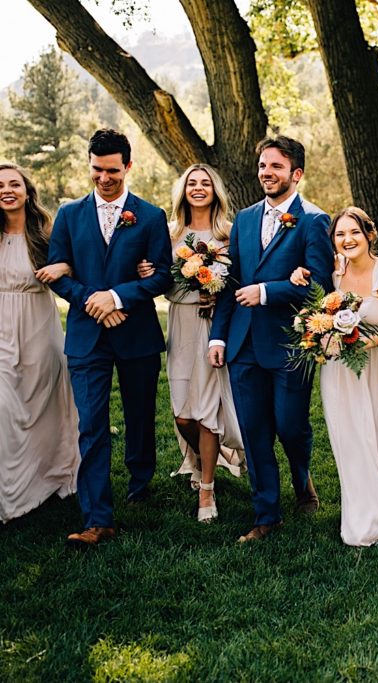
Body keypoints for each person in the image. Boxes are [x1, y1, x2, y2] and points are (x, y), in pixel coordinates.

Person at [45, 129, 173, 548]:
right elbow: (58, 273)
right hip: (86, 338)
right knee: (92, 426)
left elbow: (161, 276)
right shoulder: (68, 214)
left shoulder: (150, 217)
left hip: (136, 334)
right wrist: (94, 301)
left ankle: (140, 481)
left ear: (128, 167)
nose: (104, 178)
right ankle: (98, 518)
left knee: (139, 417)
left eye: (112, 170)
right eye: (97, 170)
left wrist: (119, 296)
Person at [208, 136, 333, 543]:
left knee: (291, 425)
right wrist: (217, 337)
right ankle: (266, 515)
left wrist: (267, 292)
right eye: (263, 165)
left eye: (276, 166)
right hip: (243, 344)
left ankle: (302, 476)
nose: (267, 173)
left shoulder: (314, 220)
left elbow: (318, 283)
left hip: (289, 344)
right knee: (254, 429)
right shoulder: (243, 219)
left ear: (296, 174)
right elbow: (231, 284)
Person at [290, 207, 378, 546]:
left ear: (369, 235)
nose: (348, 239)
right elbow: (315, 296)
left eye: (354, 232)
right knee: (351, 439)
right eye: (340, 234)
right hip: (340, 371)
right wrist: (301, 273)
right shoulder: (334, 271)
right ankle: (363, 516)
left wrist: (359, 341)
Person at [137, 164, 246, 523]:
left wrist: (216, 293)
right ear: (182, 191)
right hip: (181, 325)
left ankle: (206, 491)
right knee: (183, 415)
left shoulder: (230, 234)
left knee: (207, 412)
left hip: (216, 329)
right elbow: (157, 279)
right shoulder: (167, 234)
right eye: (191, 184)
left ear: (216, 190)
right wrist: (146, 274)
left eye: (205, 183)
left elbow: (238, 281)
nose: (198, 189)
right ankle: (208, 456)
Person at [0, 164, 78, 523]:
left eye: (14, 184)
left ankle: (45, 478)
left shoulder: (45, 234)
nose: (6, 190)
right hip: (2, 328)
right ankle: (9, 490)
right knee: (6, 409)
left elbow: (75, 266)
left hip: (37, 328)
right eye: (0, 186)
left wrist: (61, 269)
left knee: (40, 407)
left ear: (27, 192)